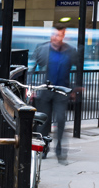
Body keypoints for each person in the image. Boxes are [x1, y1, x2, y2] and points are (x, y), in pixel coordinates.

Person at [31, 23, 78, 164]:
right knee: (43, 123)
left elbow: (78, 70)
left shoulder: (70, 51)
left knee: (61, 122)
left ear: (64, 35)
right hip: (45, 91)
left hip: (61, 92)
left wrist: (75, 89)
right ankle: (43, 150)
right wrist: (31, 88)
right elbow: (32, 68)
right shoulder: (42, 49)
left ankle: (60, 152)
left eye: (59, 35)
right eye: (54, 34)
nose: (56, 37)